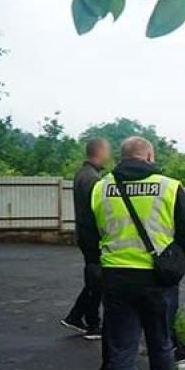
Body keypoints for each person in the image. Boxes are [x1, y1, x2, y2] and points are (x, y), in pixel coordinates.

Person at [78, 136, 185, 370]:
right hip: (157, 280)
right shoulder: (169, 187)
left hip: (116, 278)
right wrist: (176, 263)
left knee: (122, 350)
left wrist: (98, 264)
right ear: (149, 156)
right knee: (161, 343)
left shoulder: (100, 188)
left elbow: (87, 235)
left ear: (121, 157)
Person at [60, 138, 111, 343]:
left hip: (85, 234)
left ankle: (76, 316)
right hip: (93, 237)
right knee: (97, 279)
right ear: (100, 152)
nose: (109, 154)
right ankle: (92, 324)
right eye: (107, 150)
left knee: (95, 279)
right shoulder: (92, 179)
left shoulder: (83, 174)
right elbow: (98, 210)